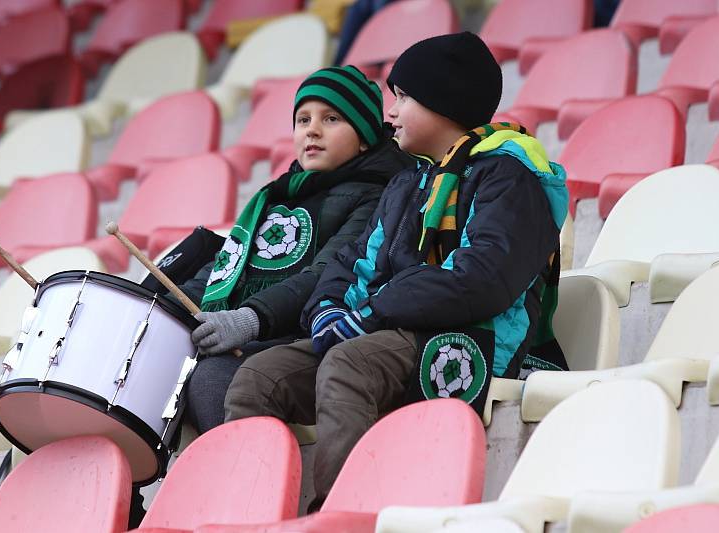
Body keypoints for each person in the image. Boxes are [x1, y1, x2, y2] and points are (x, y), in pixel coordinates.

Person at [223, 31, 569, 508]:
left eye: (403, 98)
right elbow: (354, 263)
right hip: (393, 328)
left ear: (444, 103)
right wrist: (327, 309)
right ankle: (245, 511)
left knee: (349, 364)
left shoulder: (510, 179)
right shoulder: (409, 181)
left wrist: (370, 315)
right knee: (261, 375)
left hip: (474, 335)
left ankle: (344, 514)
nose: (391, 112)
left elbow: (480, 280)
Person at [182, 65, 415, 435]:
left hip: (312, 333)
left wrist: (249, 319)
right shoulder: (278, 195)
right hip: (265, 330)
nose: (313, 130)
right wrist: (163, 306)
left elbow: (325, 274)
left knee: (212, 377)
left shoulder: (379, 194)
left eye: (332, 118)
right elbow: (224, 267)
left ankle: (243, 489)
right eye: (303, 119)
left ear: (366, 137)